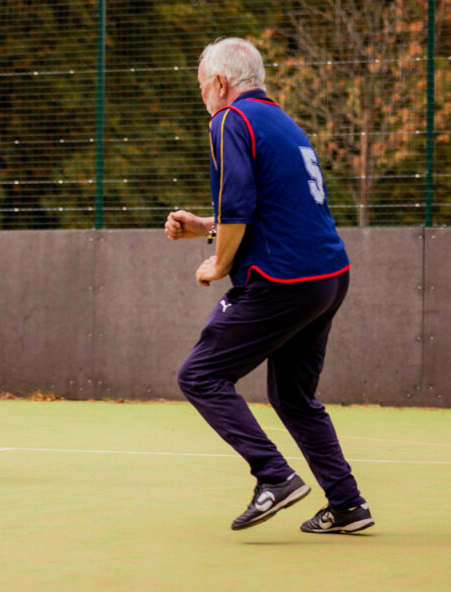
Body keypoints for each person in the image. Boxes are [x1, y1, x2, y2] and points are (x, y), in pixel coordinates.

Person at [164, 38, 373, 534]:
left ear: (219, 83)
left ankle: (274, 477)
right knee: (295, 398)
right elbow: (272, 209)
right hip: (327, 276)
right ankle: (347, 504)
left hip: (283, 279)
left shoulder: (229, 120)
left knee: (200, 375)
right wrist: (203, 226)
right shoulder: (285, 122)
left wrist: (217, 262)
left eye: (202, 87)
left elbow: (238, 207)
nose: (204, 99)